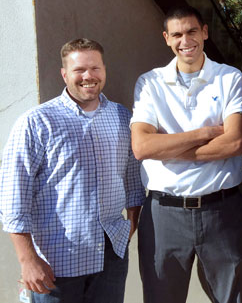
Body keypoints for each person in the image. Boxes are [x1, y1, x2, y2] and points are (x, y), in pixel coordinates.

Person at [0, 38, 144, 302]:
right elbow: (13, 197)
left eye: (95, 68)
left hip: (110, 260)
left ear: (104, 70)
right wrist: (27, 260)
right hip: (56, 263)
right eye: (79, 70)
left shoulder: (123, 118)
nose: (88, 76)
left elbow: (134, 182)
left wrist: (127, 232)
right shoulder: (37, 122)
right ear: (64, 74)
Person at [131, 5, 242, 303]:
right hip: (164, 214)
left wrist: (167, 148)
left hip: (221, 211)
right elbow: (143, 147)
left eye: (192, 31)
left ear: (204, 32)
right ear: (166, 39)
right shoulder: (150, 82)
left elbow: (234, 143)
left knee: (232, 298)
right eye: (177, 34)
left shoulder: (229, 78)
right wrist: (203, 133)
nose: (186, 40)